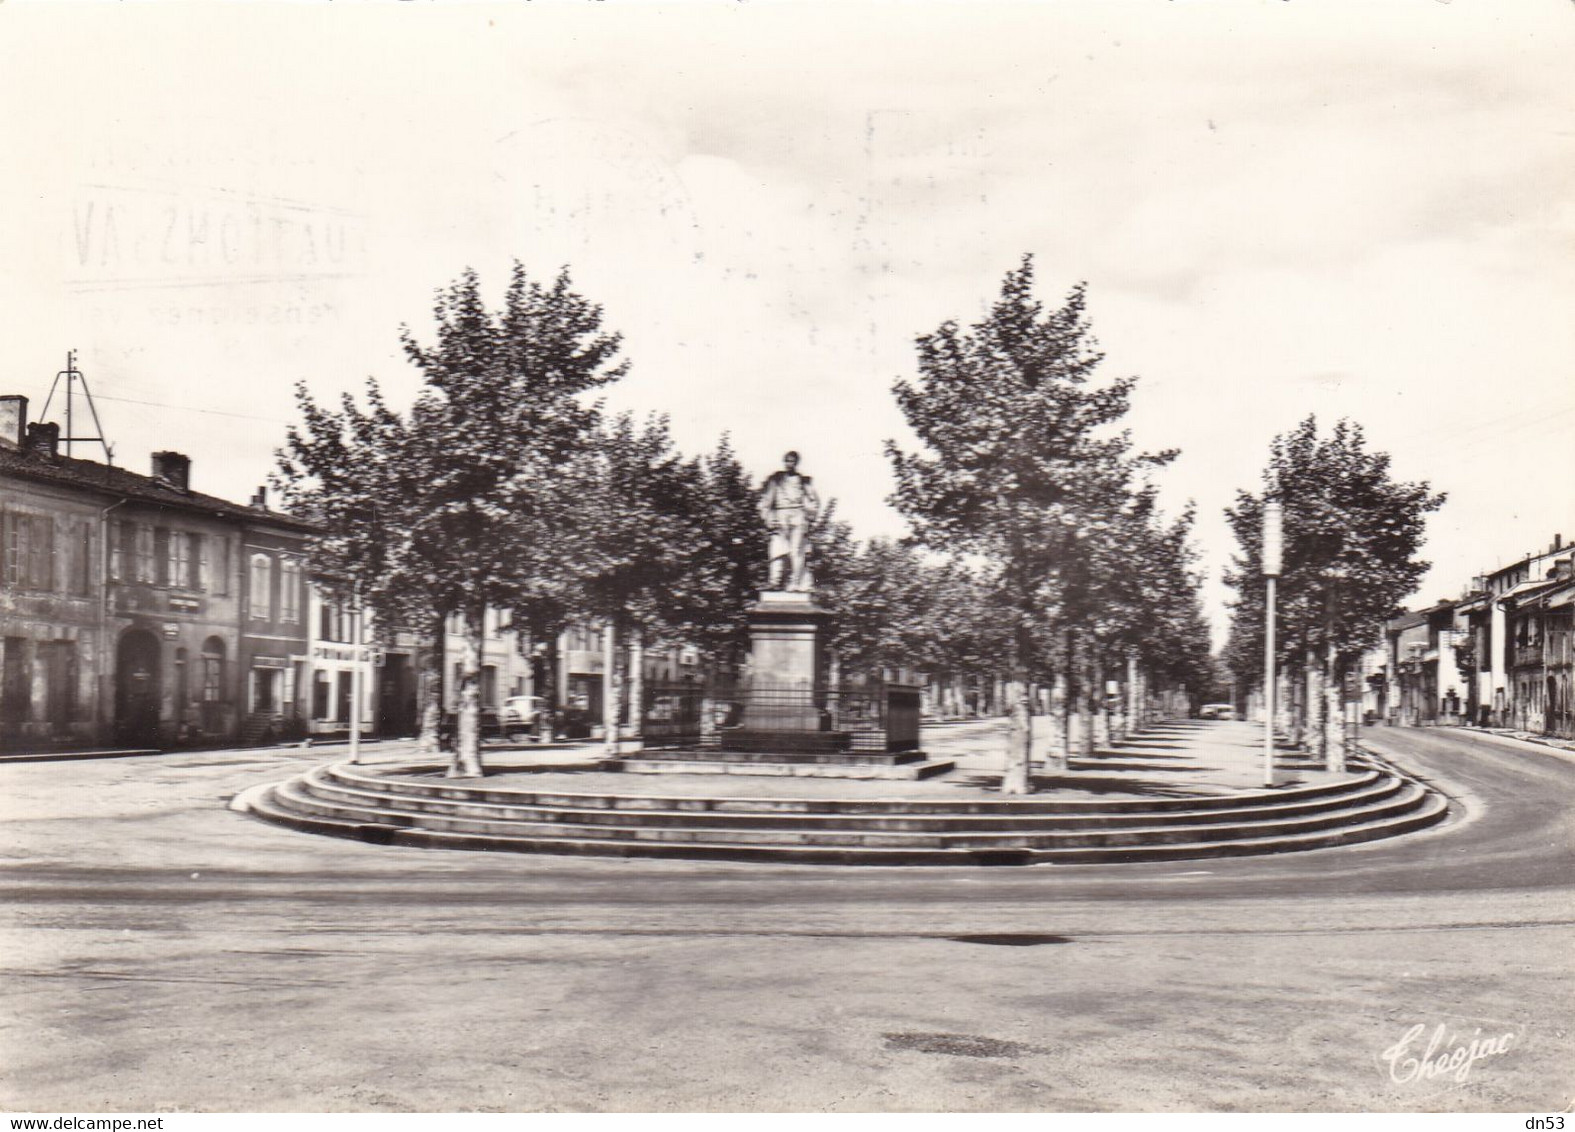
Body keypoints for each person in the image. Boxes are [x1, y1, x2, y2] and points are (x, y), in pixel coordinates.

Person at [757, 450, 820, 591]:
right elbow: (766, 501)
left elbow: (813, 501)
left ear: (796, 463)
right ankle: (774, 581)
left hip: (798, 516)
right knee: (777, 549)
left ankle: (796, 583)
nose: (789, 464)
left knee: (796, 551)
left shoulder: (804, 481)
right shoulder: (776, 480)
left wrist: (810, 516)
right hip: (781, 516)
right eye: (787, 461)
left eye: (792, 461)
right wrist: (768, 518)